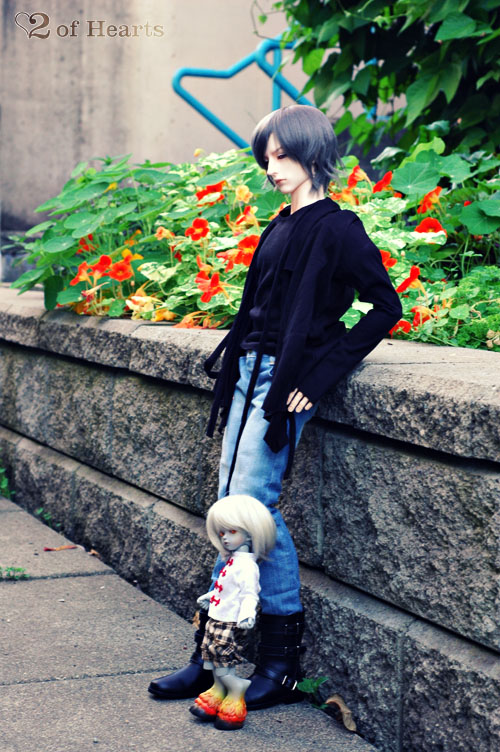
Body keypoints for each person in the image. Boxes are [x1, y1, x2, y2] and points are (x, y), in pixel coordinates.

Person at [148, 104, 402, 709]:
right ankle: (214, 656)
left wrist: (319, 375)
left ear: (313, 154)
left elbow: (385, 307)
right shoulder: (279, 225)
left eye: (283, 155)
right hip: (246, 371)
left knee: (250, 510)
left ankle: (279, 663)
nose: (273, 167)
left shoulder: (339, 229)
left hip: (285, 380)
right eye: (267, 157)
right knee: (231, 510)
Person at [189, 494, 276, 730]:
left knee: (224, 663)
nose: (225, 538)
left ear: (250, 533)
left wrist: (247, 614)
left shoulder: (247, 566)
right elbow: (226, 587)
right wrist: (210, 597)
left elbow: (250, 593)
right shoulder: (233, 561)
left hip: (229, 622)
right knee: (213, 660)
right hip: (217, 618)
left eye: (232, 532)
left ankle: (237, 690)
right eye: (222, 533)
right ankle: (218, 691)